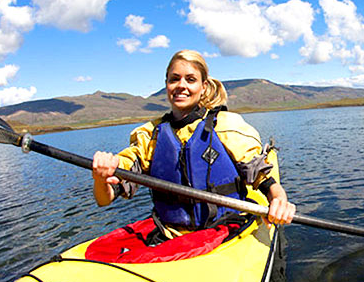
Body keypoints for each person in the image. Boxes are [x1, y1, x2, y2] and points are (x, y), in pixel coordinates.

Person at [92, 49, 295, 241]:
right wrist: (101, 178)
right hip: (170, 235)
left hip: (228, 229)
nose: (181, 85)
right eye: (174, 79)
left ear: (203, 86)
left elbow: (266, 181)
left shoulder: (226, 126)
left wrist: (279, 200)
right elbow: (105, 199)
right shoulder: (149, 136)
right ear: (166, 84)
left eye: (190, 79)